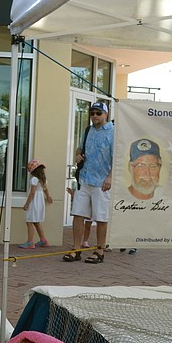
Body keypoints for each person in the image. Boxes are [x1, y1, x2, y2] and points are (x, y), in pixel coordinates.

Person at [63, 101, 114, 264]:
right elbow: (80, 149)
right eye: (92, 113)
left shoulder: (113, 132)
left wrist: (110, 177)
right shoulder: (88, 131)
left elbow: (118, 158)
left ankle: (99, 250)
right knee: (78, 214)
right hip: (84, 179)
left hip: (102, 181)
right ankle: (76, 249)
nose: (94, 116)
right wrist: (78, 156)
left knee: (101, 216)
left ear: (106, 114)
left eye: (98, 113)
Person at [19, 160, 53, 249]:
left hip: (34, 201)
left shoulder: (34, 179)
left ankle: (30, 242)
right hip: (40, 200)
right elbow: (45, 189)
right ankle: (43, 240)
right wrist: (48, 197)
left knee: (29, 221)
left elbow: (32, 193)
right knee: (36, 222)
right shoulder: (43, 179)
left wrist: (27, 204)